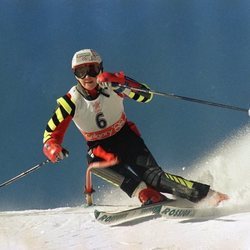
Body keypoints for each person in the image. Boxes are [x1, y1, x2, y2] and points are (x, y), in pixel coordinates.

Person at [43, 49, 228, 206]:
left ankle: (209, 195)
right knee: (94, 165)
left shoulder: (112, 84)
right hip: (100, 147)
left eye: (92, 69)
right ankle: (145, 194)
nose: (87, 77)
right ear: (74, 74)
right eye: (80, 72)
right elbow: (51, 132)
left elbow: (146, 95)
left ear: (100, 68)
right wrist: (52, 148)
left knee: (155, 178)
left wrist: (121, 84)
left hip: (126, 138)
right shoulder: (71, 101)